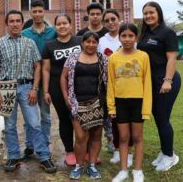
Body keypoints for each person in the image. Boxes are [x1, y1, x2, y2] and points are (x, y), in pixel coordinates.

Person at [0, 9, 56, 173]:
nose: (14, 24)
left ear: (22, 23)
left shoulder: (30, 42)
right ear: (6, 24)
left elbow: (37, 66)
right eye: (11, 21)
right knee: (10, 125)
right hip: (6, 88)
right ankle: (13, 156)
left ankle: (43, 156)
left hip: (27, 86)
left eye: (17, 21)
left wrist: (34, 88)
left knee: (34, 123)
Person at [137, 1, 181, 172]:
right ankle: (165, 152)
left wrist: (168, 80)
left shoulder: (167, 32)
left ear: (159, 14)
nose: (148, 16)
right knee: (159, 118)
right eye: (145, 13)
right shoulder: (146, 33)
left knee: (163, 119)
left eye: (151, 13)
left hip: (166, 81)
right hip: (151, 82)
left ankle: (170, 157)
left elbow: (171, 58)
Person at [108, 23, 152, 182]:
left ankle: (138, 171)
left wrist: (146, 108)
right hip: (120, 102)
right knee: (124, 137)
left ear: (136, 37)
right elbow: (111, 83)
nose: (127, 39)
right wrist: (111, 106)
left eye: (130, 36)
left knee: (137, 136)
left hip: (138, 102)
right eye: (124, 36)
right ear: (119, 37)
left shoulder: (143, 56)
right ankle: (124, 170)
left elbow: (147, 83)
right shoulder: (114, 57)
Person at [61, 31, 108, 180]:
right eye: (88, 42)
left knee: (96, 135)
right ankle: (79, 166)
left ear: (97, 44)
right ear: (82, 43)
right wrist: (66, 97)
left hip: (98, 102)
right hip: (77, 103)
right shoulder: (73, 57)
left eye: (94, 42)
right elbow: (63, 77)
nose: (91, 45)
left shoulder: (103, 59)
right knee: (81, 137)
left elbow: (108, 81)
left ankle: (92, 165)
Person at [42, 14, 81, 166]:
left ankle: (84, 149)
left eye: (65, 23)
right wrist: (45, 91)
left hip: (80, 86)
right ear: (55, 27)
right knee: (65, 119)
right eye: (59, 24)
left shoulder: (79, 41)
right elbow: (46, 69)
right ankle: (70, 151)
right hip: (57, 88)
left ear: (71, 25)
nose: (62, 26)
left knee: (82, 119)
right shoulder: (49, 45)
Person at [98, 9, 134, 166]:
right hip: (108, 85)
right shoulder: (101, 41)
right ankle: (116, 147)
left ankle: (129, 150)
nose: (111, 22)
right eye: (107, 20)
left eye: (113, 19)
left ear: (119, 20)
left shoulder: (127, 37)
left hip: (128, 84)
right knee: (112, 117)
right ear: (104, 23)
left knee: (129, 118)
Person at [21, 0, 56, 159]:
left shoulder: (53, 32)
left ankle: (45, 143)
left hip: (47, 80)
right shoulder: (25, 33)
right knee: (30, 115)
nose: (37, 14)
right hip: (30, 79)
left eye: (40, 11)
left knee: (46, 115)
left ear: (44, 12)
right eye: (34, 11)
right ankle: (29, 145)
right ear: (30, 13)